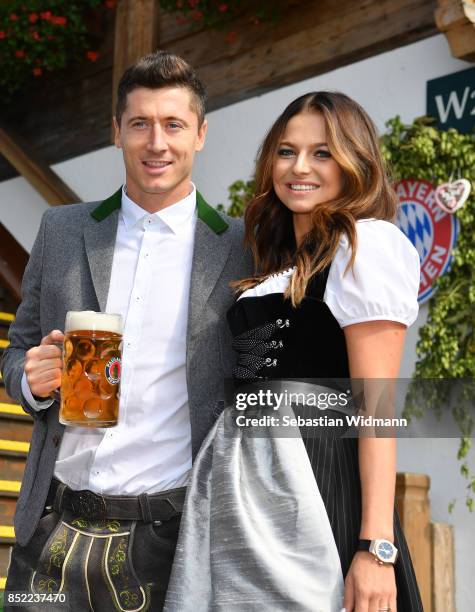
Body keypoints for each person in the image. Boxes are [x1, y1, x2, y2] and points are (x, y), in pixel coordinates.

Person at [1, 50, 251, 611]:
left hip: (170, 536)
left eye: (173, 124)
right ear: (117, 131)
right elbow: (17, 351)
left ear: (201, 134)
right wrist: (30, 381)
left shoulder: (242, 248)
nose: (156, 142)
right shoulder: (61, 229)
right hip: (52, 525)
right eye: (140, 123)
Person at [164, 92, 423, 612]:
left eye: (322, 153)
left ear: (356, 163)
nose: (299, 167)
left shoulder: (366, 245)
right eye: (286, 151)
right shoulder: (276, 263)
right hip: (244, 491)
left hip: (319, 483)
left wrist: (376, 547)